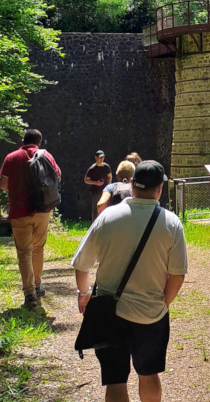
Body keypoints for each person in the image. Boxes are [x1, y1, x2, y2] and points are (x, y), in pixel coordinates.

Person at [72, 160, 187, 402]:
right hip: (152, 313)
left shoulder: (108, 217)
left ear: (132, 184)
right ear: (159, 189)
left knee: (115, 380)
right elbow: (177, 274)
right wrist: (163, 303)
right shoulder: (171, 223)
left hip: (110, 313)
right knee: (149, 374)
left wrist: (84, 293)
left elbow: (82, 264)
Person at [0, 129, 61, 309]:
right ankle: (38, 284)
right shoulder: (47, 156)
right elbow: (57, 177)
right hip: (43, 210)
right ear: (39, 142)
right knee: (38, 248)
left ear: (22, 140)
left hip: (20, 211)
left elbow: (3, 184)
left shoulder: (12, 157)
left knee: (24, 252)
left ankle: (29, 293)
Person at [85, 150, 112, 220]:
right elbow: (86, 180)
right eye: (100, 157)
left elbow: (109, 176)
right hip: (95, 192)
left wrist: (108, 186)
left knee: (106, 208)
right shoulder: (92, 169)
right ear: (96, 158)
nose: (101, 159)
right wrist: (96, 183)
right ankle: (95, 226)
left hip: (105, 192)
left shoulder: (106, 167)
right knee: (95, 209)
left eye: (103, 157)